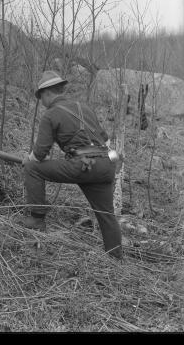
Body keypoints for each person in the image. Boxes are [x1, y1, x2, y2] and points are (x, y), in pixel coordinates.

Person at [21, 70, 123, 260]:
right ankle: (115, 258)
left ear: (47, 93)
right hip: (106, 165)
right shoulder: (84, 108)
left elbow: (40, 154)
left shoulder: (51, 114)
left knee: (32, 169)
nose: (41, 101)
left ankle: (36, 218)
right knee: (106, 214)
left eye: (41, 97)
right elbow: (106, 142)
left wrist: (29, 159)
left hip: (83, 165)